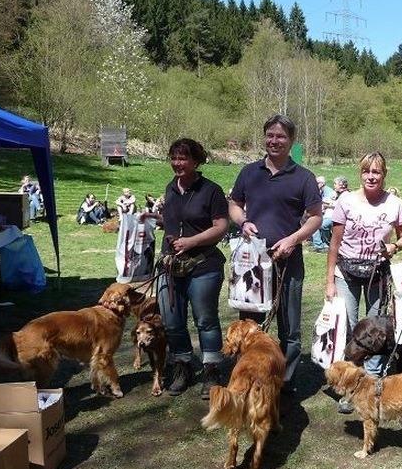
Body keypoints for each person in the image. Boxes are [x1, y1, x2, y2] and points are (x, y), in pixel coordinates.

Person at [229, 114, 322, 394]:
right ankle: (250, 379)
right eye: (270, 135)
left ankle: (283, 384)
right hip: (253, 263)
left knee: (289, 328)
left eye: (281, 136)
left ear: (291, 141)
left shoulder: (303, 177)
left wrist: (293, 239)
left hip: (288, 261)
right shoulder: (249, 172)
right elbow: (234, 204)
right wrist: (242, 222)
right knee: (250, 325)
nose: (274, 141)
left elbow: (316, 217)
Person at [142, 138, 229, 398]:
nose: (177, 163)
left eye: (183, 158)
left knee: (205, 320)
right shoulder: (171, 188)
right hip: (170, 265)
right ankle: (182, 366)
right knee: (171, 321)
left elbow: (221, 226)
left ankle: (212, 370)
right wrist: (155, 219)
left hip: (203, 265)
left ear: (196, 161)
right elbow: (175, 221)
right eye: (174, 158)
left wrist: (192, 241)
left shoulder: (210, 190)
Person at [325, 151, 402, 413]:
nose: (371, 176)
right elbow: (334, 244)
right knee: (348, 329)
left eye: (377, 172)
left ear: (384, 175)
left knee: (376, 334)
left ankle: (372, 385)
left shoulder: (394, 203)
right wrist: (329, 281)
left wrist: (393, 246)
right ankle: (348, 387)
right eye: (367, 171)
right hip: (346, 273)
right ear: (360, 173)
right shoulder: (346, 201)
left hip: (378, 274)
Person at [311, 176, 336, 252]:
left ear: (322, 184)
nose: (315, 185)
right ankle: (318, 244)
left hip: (330, 215)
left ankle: (321, 245)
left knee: (317, 224)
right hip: (324, 214)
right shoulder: (321, 191)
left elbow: (329, 204)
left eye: (317, 183)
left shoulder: (329, 192)